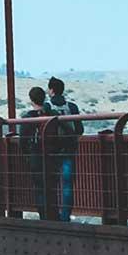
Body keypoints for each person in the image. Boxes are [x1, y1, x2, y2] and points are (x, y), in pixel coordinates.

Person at [45, 77, 83, 221]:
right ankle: (65, 216)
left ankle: (52, 215)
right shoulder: (72, 107)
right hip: (68, 148)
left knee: (50, 183)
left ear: (51, 90)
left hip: (51, 150)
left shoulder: (47, 107)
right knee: (67, 184)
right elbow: (79, 129)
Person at [17, 86, 51, 219]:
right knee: (52, 186)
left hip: (35, 155)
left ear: (31, 100)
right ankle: (53, 215)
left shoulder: (28, 117)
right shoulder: (50, 115)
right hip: (52, 155)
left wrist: (27, 155)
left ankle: (43, 216)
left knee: (39, 187)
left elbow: (22, 140)